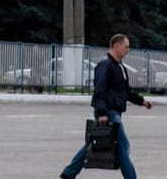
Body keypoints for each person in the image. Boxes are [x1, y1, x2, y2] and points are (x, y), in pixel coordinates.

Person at [59, 34, 154, 179]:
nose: (128, 50)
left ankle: (69, 173)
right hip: (108, 111)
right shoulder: (105, 65)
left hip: (115, 111)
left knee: (94, 142)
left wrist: (141, 101)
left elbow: (125, 91)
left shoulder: (120, 66)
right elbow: (99, 90)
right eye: (126, 47)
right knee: (123, 146)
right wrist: (102, 112)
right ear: (116, 46)